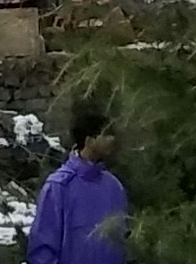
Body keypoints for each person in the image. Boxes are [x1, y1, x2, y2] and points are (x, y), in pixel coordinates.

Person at [27, 104, 127, 264]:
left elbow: (123, 242)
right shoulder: (59, 186)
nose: (112, 140)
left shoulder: (114, 186)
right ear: (89, 141)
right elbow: (43, 248)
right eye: (106, 134)